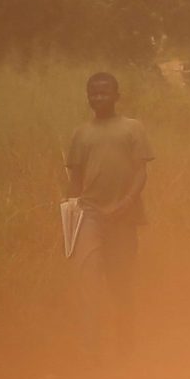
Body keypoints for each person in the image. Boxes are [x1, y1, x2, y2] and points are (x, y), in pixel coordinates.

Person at [65, 73, 154, 360]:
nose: (98, 98)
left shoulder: (133, 128)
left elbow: (141, 172)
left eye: (104, 93)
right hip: (89, 215)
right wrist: (71, 216)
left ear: (117, 95)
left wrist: (127, 203)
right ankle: (91, 350)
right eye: (93, 93)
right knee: (88, 282)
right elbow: (75, 179)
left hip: (124, 216)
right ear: (87, 97)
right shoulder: (81, 134)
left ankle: (126, 345)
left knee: (121, 282)